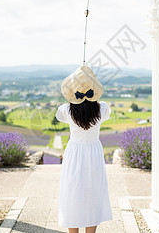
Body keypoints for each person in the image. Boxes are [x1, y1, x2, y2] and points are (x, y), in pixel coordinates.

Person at [56, 65, 113, 233]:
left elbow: (60, 116)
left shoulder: (66, 109)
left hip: (74, 152)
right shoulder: (102, 108)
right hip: (94, 152)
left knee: (72, 192)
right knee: (93, 193)